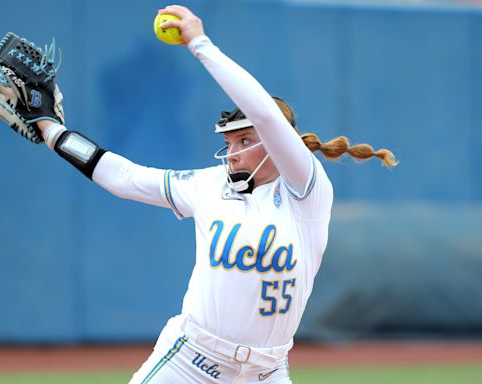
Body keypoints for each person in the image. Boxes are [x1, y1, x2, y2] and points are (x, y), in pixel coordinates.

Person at [32, 5, 397, 384]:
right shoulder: (208, 185)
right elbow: (124, 178)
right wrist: (51, 131)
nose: (233, 151)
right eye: (228, 141)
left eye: (244, 140)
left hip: (266, 372)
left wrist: (200, 44)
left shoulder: (307, 192)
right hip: (191, 360)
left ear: (276, 143)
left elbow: (268, 118)